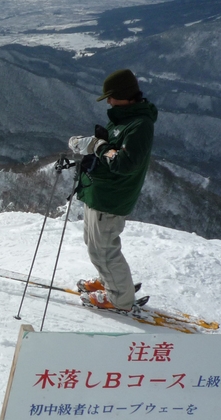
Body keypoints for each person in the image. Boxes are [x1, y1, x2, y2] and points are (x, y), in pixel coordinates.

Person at [68, 69, 157, 311]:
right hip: (100, 192)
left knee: (104, 250)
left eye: (111, 96)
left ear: (125, 96)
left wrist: (98, 147)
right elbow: (111, 149)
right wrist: (95, 145)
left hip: (111, 198)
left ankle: (119, 298)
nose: (108, 101)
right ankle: (109, 280)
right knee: (94, 244)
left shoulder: (139, 125)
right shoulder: (124, 118)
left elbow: (124, 163)